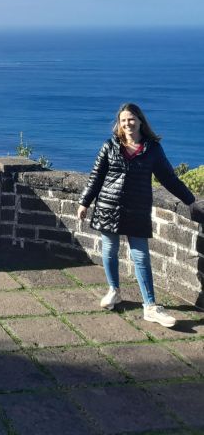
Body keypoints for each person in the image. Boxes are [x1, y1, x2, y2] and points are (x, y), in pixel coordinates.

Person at [77, 103, 195, 327]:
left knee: (140, 256)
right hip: (108, 206)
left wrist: (190, 200)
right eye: (123, 121)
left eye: (131, 119)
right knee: (109, 251)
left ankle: (150, 306)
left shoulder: (153, 149)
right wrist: (84, 201)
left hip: (137, 209)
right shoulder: (110, 146)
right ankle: (114, 291)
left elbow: (168, 178)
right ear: (119, 124)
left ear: (140, 121)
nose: (127, 124)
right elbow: (96, 176)